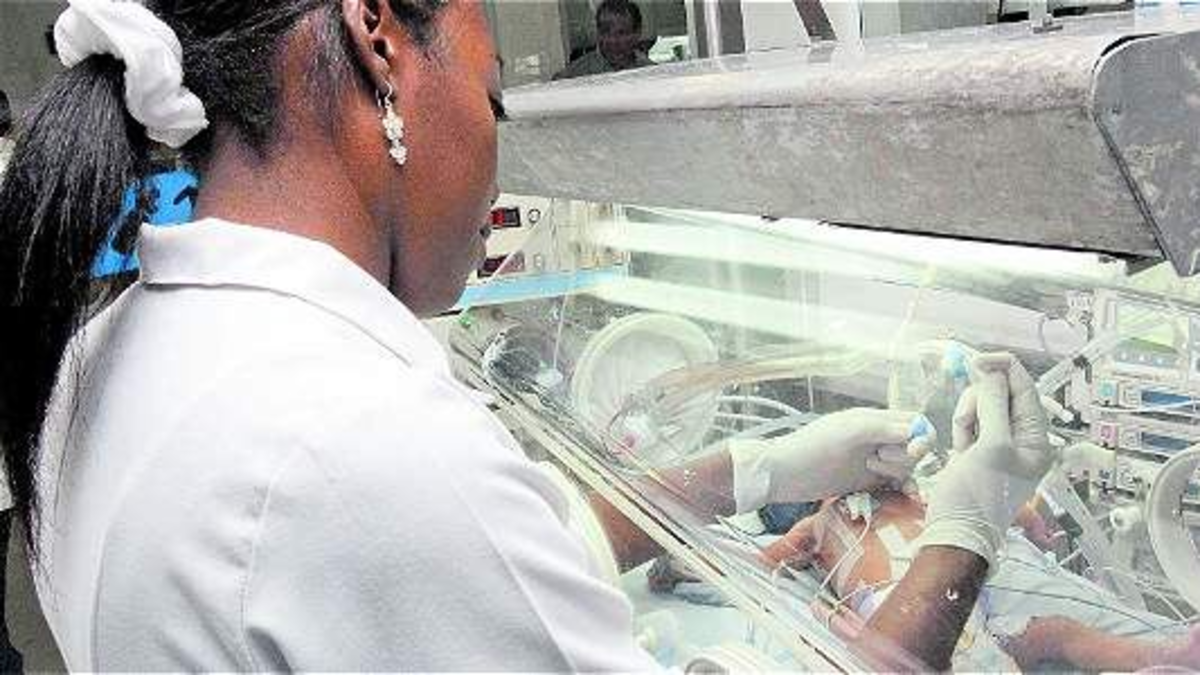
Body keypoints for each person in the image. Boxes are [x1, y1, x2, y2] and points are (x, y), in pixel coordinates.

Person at [0, 0, 1047, 671]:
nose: (498, 164)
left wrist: (753, 467)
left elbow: (489, 570)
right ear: (379, 43)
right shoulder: (351, 440)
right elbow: (425, 535)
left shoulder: (110, 348)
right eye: (494, 100)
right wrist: (965, 529)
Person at [553, 0, 653, 81]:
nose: (613, 41)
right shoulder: (575, 74)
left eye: (621, 33)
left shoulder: (651, 72)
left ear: (637, 33)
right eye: (605, 32)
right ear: (598, 33)